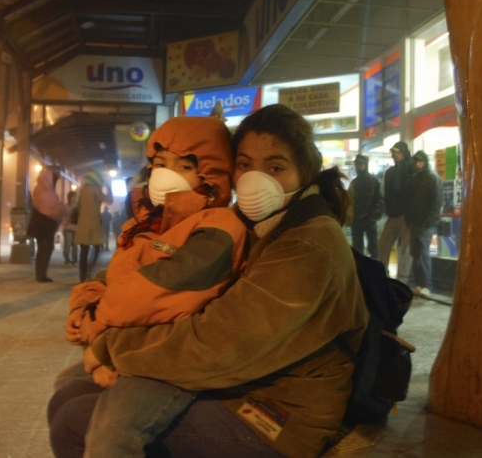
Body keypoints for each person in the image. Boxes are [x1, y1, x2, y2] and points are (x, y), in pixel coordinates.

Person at [48, 104, 369, 458]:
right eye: (245, 164)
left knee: (75, 420)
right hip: (240, 383)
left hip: (279, 412)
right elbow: (150, 264)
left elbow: (219, 345)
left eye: (275, 167)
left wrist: (110, 347)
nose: (255, 179)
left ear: (306, 173)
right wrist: (90, 303)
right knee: (70, 393)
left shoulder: (309, 244)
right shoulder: (248, 221)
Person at [50, 115, 247, 458]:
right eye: (160, 163)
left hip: (167, 358)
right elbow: (110, 279)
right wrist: (82, 308)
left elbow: (168, 288)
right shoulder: (144, 224)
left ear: (212, 175)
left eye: (184, 165)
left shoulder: (220, 225)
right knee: (66, 386)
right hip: (127, 345)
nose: (166, 174)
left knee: (111, 434)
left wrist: (98, 323)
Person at [405, 150, 442, 297]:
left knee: (422, 253)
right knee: (416, 253)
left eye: (419, 161)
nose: (417, 164)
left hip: (425, 223)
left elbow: (436, 203)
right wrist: (410, 220)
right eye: (415, 161)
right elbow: (411, 203)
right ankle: (420, 284)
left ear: (425, 162)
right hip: (416, 223)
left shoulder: (432, 178)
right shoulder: (416, 178)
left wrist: (427, 223)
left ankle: (426, 285)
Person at [377, 141, 413, 282]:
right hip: (394, 215)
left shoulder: (411, 170)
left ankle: (402, 277)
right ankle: (383, 273)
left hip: (406, 215)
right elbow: (388, 193)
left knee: (407, 247)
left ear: (403, 153)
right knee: (383, 244)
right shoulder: (391, 172)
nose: (394, 155)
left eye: (397, 152)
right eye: (393, 152)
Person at [74, 169, 112, 282]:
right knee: (97, 248)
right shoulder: (95, 190)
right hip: (93, 224)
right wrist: (109, 188)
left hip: (82, 224)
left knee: (84, 251)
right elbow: (109, 200)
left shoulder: (82, 190)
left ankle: (82, 276)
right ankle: (89, 272)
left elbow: (78, 205)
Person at [27, 168, 64, 283]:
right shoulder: (43, 192)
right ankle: (41, 275)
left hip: (45, 226)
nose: (55, 182)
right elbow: (48, 210)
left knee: (45, 249)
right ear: (48, 180)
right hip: (43, 226)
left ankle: (41, 274)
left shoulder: (45, 191)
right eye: (54, 180)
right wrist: (60, 207)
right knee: (45, 249)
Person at [349, 154, 384, 259]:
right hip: (357, 220)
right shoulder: (354, 183)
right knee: (357, 249)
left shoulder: (375, 181)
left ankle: (373, 272)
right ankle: (360, 272)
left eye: (361, 164)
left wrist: (373, 217)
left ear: (365, 165)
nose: (359, 166)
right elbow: (350, 201)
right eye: (357, 164)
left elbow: (380, 200)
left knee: (373, 249)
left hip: (369, 220)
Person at [62, 191, 78, 267]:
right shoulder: (66, 206)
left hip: (76, 228)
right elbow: (62, 216)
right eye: (73, 196)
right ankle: (67, 260)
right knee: (67, 245)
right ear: (69, 197)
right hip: (68, 228)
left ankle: (75, 260)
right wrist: (65, 222)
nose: (74, 198)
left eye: (75, 196)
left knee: (75, 246)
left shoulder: (78, 206)